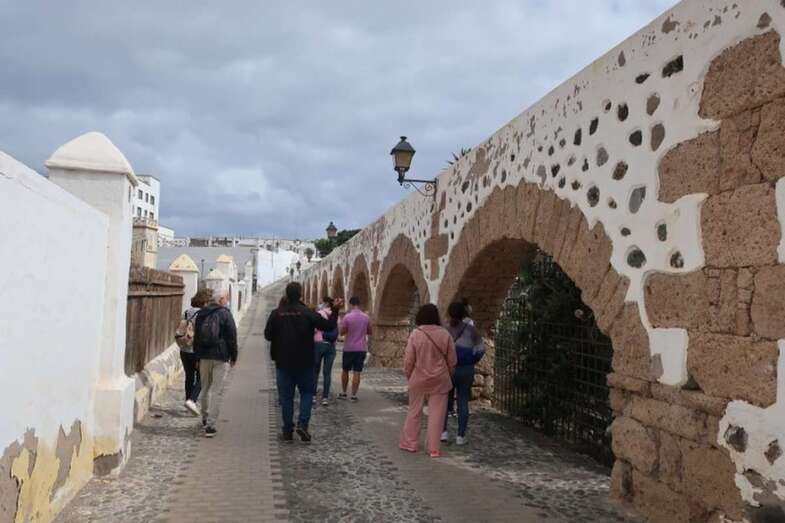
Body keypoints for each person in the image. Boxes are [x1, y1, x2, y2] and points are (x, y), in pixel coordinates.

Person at [264, 282, 342, 442]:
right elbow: (328, 326)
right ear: (300, 295)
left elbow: (267, 335)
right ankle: (303, 424)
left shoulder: (276, 314)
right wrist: (335, 309)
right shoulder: (308, 313)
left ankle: (287, 432)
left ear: (286, 293)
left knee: (286, 397)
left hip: (283, 362)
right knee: (307, 393)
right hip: (305, 362)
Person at [399, 304, 456, 458]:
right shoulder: (445, 335)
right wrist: (448, 375)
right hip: (440, 379)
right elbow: (452, 360)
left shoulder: (416, 334)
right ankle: (433, 448)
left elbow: (409, 360)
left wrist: (409, 375)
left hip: (418, 378)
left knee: (414, 411)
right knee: (437, 415)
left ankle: (410, 443)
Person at [193, 285, 238, 438]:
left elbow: (196, 338)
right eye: (226, 298)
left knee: (205, 389)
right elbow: (232, 337)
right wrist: (234, 356)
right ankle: (211, 425)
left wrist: (197, 357)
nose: (227, 301)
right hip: (220, 356)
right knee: (217, 391)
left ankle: (205, 417)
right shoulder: (225, 314)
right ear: (221, 299)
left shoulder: (202, 313)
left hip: (204, 356)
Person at [441, 302, 485, 446]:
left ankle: (443, 432)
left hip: (448, 369)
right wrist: (472, 360)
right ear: (464, 314)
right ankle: (460, 436)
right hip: (466, 369)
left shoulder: (445, 330)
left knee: (445, 401)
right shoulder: (472, 330)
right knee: (463, 401)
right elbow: (481, 349)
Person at [176, 288, 213, 417]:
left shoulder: (187, 312)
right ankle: (192, 400)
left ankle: (188, 403)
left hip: (184, 349)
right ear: (205, 302)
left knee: (189, 377)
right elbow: (204, 334)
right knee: (203, 377)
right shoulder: (203, 314)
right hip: (197, 351)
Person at [338, 296, 371, 402]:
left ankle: (343, 393)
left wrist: (346, 330)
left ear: (351, 304)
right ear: (359, 304)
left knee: (345, 370)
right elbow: (370, 331)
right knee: (357, 371)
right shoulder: (366, 317)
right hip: (361, 348)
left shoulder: (347, 317)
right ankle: (353, 395)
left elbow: (342, 332)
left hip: (349, 348)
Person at [313, 296, 338, 406]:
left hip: (318, 344)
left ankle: (313, 396)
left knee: (315, 372)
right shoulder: (334, 315)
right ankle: (325, 398)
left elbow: (313, 329)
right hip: (331, 346)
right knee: (327, 373)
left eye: (322, 302)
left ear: (325, 303)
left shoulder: (319, 313)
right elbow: (338, 329)